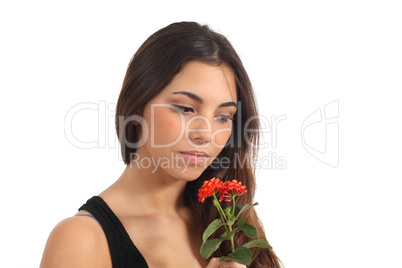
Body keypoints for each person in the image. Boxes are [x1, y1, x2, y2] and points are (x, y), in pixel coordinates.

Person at [40, 21, 281, 268]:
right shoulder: (82, 240)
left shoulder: (228, 222)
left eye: (223, 116)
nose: (205, 134)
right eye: (185, 109)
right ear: (136, 108)